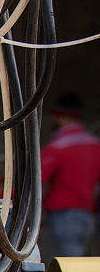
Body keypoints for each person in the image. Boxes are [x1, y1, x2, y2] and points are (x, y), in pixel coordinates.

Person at [41, 92, 100, 261]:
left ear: (60, 118)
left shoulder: (58, 148)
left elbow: (35, 182)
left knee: (68, 267)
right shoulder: (95, 146)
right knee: (81, 262)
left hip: (64, 217)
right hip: (88, 216)